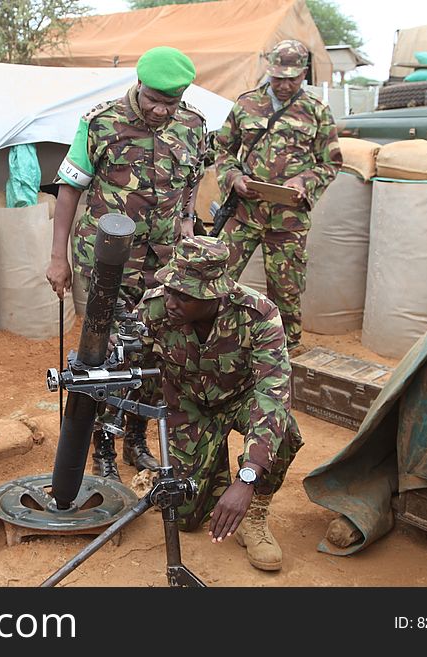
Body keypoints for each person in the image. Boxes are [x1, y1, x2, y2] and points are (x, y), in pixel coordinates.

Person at [45, 45, 207, 480]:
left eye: (169, 103)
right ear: (139, 84)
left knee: (154, 350)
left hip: (166, 263)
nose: (159, 110)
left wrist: (188, 221)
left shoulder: (193, 126)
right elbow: (69, 190)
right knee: (105, 356)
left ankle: (137, 441)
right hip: (108, 264)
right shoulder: (101, 122)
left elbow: (192, 181)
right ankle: (102, 451)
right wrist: (57, 256)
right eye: (154, 98)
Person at [135, 235, 303, 572]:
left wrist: (247, 479)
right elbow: (124, 359)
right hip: (189, 407)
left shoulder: (258, 315)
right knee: (185, 518)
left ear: (214, 294)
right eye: (170, 289)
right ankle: (213, 478)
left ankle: (254, 513)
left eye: (184, 295)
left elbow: (272, 396)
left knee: (283, 432)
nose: (172, 301)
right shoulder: (155, 307)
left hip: (241, 401)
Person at [212, 39, 342, 354]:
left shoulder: (316, 111)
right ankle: (214, 340)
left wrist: (305, 180)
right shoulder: (246, 104)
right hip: (244, 212)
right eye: (278, 78)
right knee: (218, 274)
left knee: (286, 286)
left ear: (304, 74)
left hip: (289, 218)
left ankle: (286, 349)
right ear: (268, 71)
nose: (284, 85)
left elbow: (331, 162)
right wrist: (235, 178)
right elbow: (222, 150)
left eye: (292, 79)